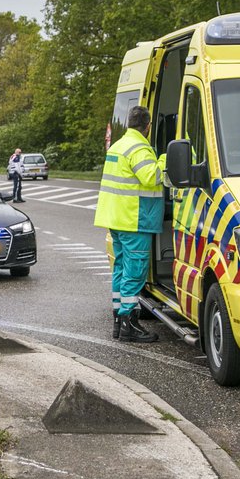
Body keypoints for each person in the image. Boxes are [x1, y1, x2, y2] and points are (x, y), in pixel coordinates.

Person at [93, 105, 163, 342]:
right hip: (135, 219)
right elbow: (152, 177)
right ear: (148, 126)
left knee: (120, 269)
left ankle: (117, 319)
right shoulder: (140, 148)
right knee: (135, 272)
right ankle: (128, 324)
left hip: (117, 219)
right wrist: (164, 161)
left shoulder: (118, 145)